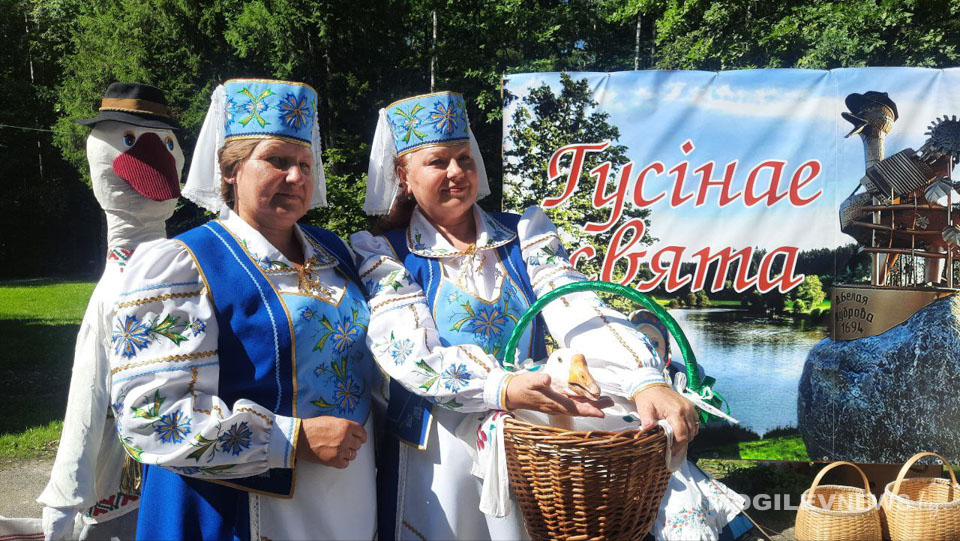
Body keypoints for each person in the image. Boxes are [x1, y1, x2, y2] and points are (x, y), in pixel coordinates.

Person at [351, 91, 699, 540]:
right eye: (439, 162)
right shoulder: (384, 254)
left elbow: (575, 304)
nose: (457, 172)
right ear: (403, 175)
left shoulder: (523, 235)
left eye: (465, 159)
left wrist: (643, 376)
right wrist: (501, 386)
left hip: (532, 441)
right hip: (438, 453)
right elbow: (404, 347)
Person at [109, 78, 375, 540]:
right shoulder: (184, 264)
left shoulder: (334, 252)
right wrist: (291, 441)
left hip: (348, 495)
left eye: (306, 164)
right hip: (241, 507)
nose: (296, 178)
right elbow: (150, 418)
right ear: (230, 171)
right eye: (277, 160)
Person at [38, 82, 185, 541]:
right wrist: (65, 493)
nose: (156, 156)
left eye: (165, 143)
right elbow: (88, 391)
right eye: (129, 139)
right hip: (128, 480)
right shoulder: (115, 292)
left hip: (190, 464)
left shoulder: (188, 263)